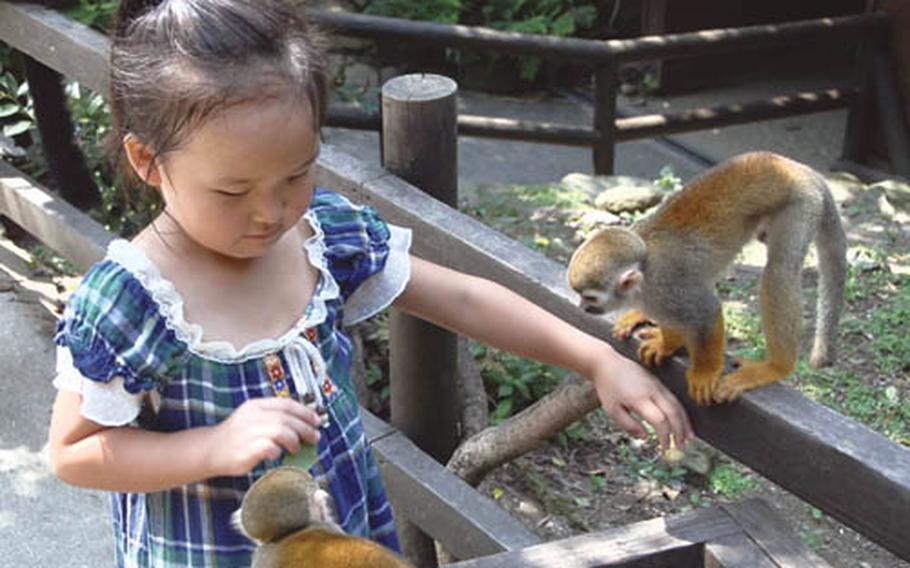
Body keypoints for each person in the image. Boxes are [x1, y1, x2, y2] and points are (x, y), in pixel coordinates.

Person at [46, 1, 694, 566]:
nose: (270, 212)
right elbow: (75, 452)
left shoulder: (323, 237)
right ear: (146, 160)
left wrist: (595, 359)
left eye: (296, 175)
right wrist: (211, 447)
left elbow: (462, 297)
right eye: (233, 190)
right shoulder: (130, 302)